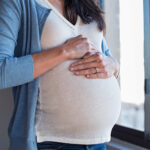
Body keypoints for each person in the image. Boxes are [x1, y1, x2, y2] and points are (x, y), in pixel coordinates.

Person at [0, 0, 121, 150]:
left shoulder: (86, 4)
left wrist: (114, 65)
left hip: (98, 142)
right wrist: (65, 51)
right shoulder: (18, 3)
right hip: (53, 142)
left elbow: (106, 57)